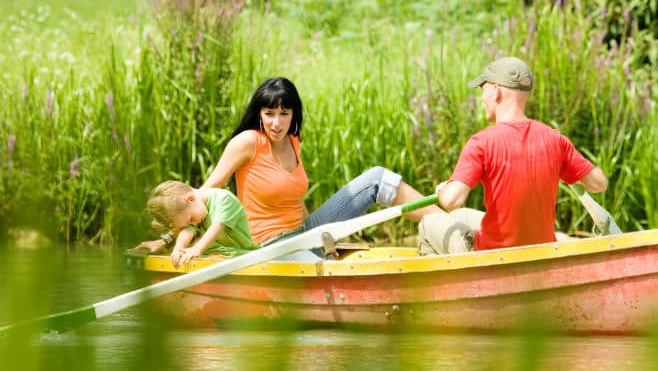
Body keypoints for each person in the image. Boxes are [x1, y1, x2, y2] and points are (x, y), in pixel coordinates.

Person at [135, 77, 439, 254]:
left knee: (376, 179)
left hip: (303, 233)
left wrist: (324, 239)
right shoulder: (248, 142)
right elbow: (201, 194)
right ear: (260, 113)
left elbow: (295, 199)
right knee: (374, 180)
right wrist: (164, 241)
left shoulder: (294, 141)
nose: (276, 123)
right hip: (270, 247)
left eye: (284, 113)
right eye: (269, 113)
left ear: (294, 114)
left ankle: (452, 223)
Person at [417, 56, 608, 254]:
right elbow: (599, 184)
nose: (482, 99)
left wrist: (443, 191)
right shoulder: (555, 139)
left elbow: (450, 200)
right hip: (542, 251)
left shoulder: (482, 142)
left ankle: (450, 284)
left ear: (496, 91)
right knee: (461, 215)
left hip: (493, 256)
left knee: (427, 222)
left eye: (483, 90)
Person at [145, 180, 257, 267]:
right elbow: (187, 230)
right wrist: (178, 248)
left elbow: (218, 226)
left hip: (242, 256)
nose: (193, 223)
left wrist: (197, 248)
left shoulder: (224, 199)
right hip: (214, 257)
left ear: (190, 199)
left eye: (191, 219)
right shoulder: (195, 210)